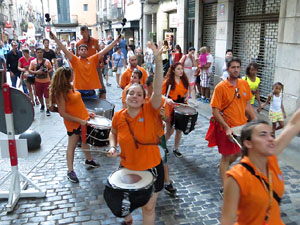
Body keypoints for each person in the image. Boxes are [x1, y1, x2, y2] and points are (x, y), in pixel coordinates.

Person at [107, 42, 164, 225]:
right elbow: (112, 133)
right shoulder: (118, 116)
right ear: (125, 96)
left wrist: (157, 59)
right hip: (127, 166)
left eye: (139, 94)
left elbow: (157, 89)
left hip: (152, 166)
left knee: (148, 207)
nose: (134, 96)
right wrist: (112, 146)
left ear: (144, 99)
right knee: (123, 203)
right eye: (131, 93)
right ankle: (128, 220)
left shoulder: (150, 110)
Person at [221, 111, 300, 224]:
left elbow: (294, 124)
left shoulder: (270, 160)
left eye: (272, 135)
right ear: (248, 143)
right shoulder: (236, 177)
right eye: (263, 134)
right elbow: (226, 221)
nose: (271, 139)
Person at [205, 57, 257, 193]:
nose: (235, 70)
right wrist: (227, 127)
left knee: (241, 152)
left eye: (238, 67)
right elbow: (215, 110)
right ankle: (225, 187)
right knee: (226, 157)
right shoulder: (220, 87)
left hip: (242, 127)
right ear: (227, 69)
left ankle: (224, 166)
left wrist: (256, 121)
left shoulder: (244, 84)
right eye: (233, 67)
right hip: (225, 128)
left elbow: (247, 105)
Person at [49, 67, 100, 183]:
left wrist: (87, 112)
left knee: (85, 141)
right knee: (71, 146)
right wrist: (79, 120)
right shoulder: (60, 92)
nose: (73, 76)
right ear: (67, 77)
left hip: (83, 119)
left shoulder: (70, 87)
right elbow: (63, 113)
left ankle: (89, 159)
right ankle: (70, 170)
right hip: (73, 123)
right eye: (72, 74)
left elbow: (78, 104)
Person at [50, 31, 120, 99]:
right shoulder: (75, 60)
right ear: (78, 52)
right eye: (81, 49)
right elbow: (64, 49)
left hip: (91, 91)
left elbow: (104, 50)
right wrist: (55, 38)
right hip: (78, 91)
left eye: (85, 50)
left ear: (87, 52)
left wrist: (116, 41)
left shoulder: (92, 59)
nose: (83, 51)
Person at [145, 75, 177, 195]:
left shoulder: (163, 101)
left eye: (159, 88)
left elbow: (167, 119)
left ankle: (167, 182)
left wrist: (163, 116)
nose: (157, 92)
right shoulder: (141, 99)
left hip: (158, 136)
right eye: (154, 88)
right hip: (144, 137)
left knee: (163, 160)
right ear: (146, 87)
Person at [163, 62, 189, 158]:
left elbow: (186, 92)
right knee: (170, 130)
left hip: (181, 106)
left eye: (181, 69)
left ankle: (176, 148)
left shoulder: (184, 81)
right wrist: (167, 99)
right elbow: (160, 95)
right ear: (173, 70)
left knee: (179, 129)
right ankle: (162, 145)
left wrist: (186, 98)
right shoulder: (167, 82)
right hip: (170, 107)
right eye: (178, 69)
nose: (181, 71)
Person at [76, 26, 106, 99]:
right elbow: (77, 56)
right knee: (85, 84)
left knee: (101, 85)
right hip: (84, 66)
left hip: (95, 65)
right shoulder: (79, 43)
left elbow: (100, 52)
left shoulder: (95, 41)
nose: (83, 34)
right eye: (82, 32)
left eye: (84, 32)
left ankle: (102, 101)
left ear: (88, 32)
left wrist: (102, 62)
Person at [29, 47, 53, 116]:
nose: (39, 54)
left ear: (43, 53)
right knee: (39, 95)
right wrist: (37, 72)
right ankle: (42, 105)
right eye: (38, 52)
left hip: (46, 81)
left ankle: (48, 108)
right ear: (36, 53)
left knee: (47, 95)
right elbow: (30, 70)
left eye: (41, 52)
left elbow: (51, 68)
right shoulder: (33, 62)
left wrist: (47, 72)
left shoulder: (47, 61)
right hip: (37, 81)